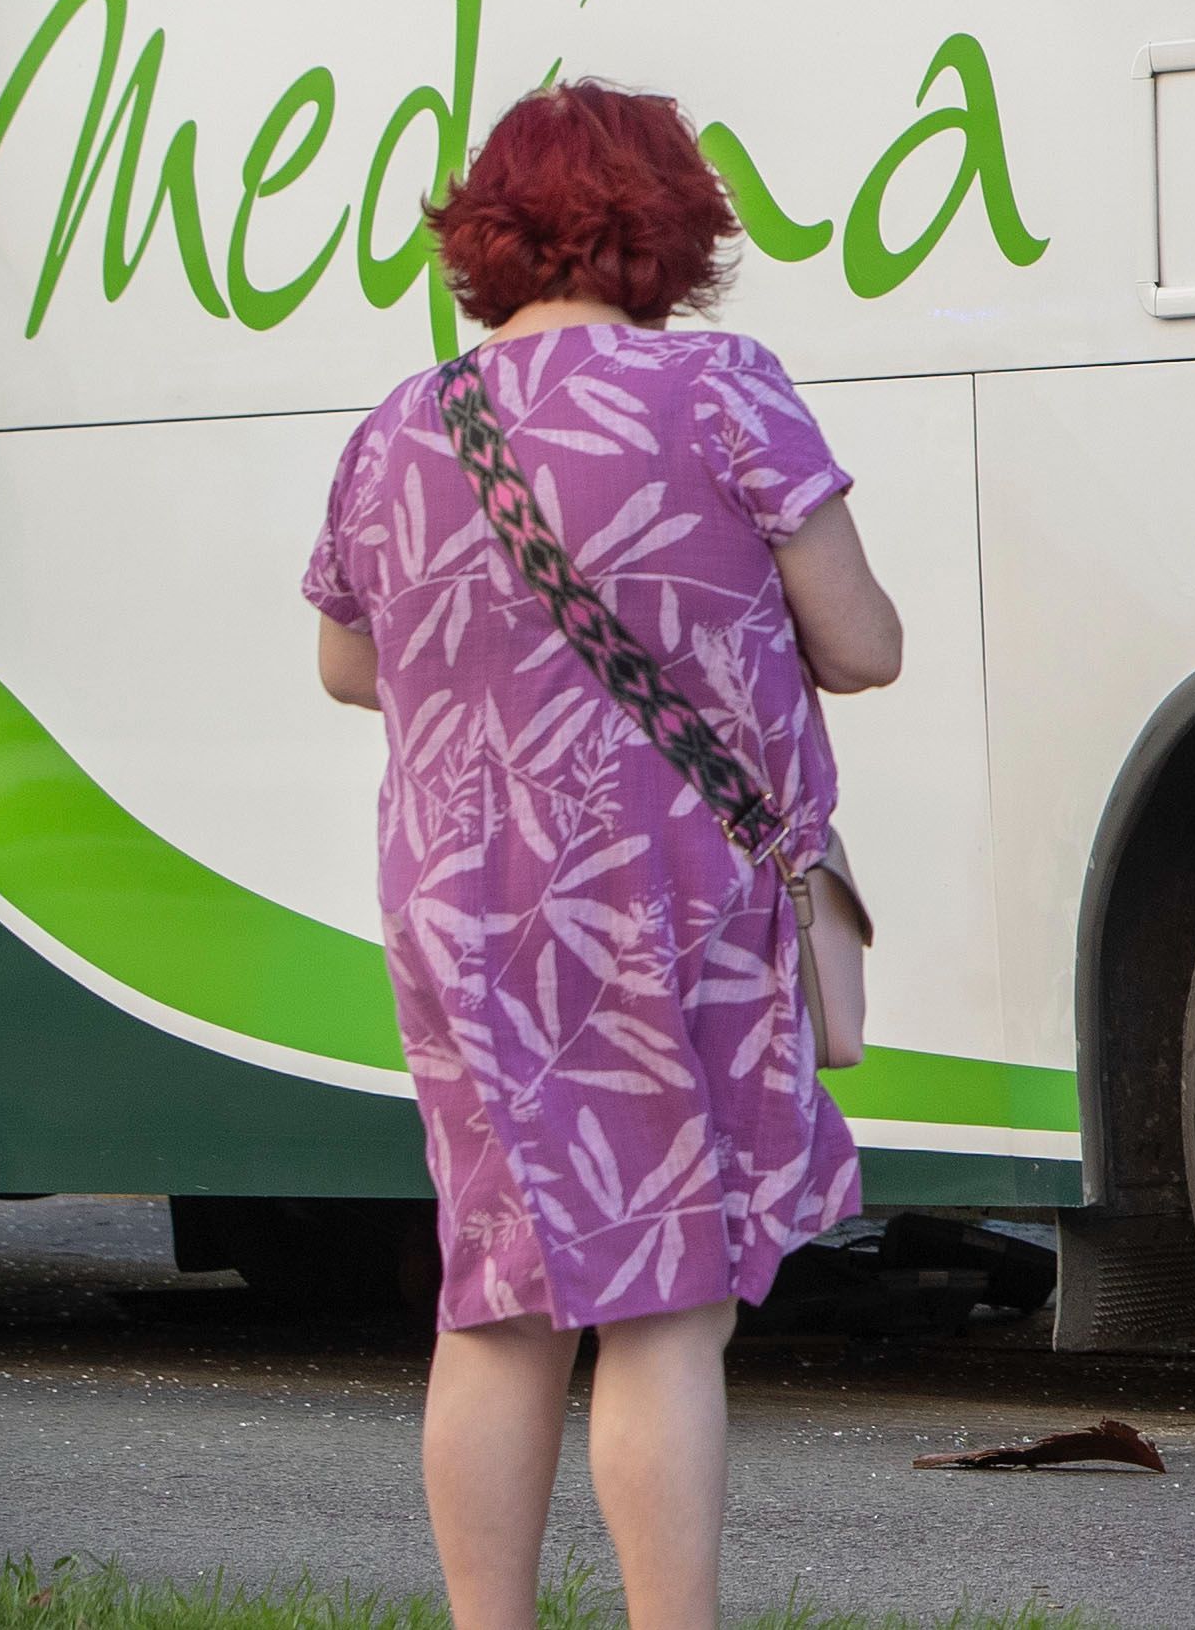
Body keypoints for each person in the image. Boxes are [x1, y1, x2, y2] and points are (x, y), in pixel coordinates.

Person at [303, 83, 911, 1630]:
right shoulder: (721, 393)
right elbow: (863, 643)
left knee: (497, 1296)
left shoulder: (398, 429)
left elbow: (348, 666)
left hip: (463, 917)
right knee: (663, 1305)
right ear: (666, 234)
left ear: (490, 235)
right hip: (662, 904)